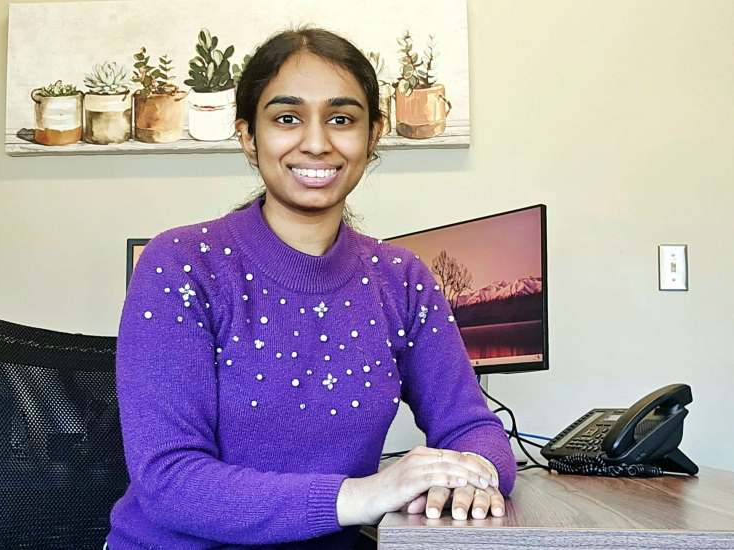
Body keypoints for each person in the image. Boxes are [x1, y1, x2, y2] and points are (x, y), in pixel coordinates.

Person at [106, 26, 515, 550]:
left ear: (372, 136)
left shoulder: (403, 278)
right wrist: (363, 495)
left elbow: (471, 426)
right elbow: (170, 482)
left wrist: (472, 474)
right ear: (248, 138)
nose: (317, 142)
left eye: (342, 119)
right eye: (286, 118)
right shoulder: (182, 264)